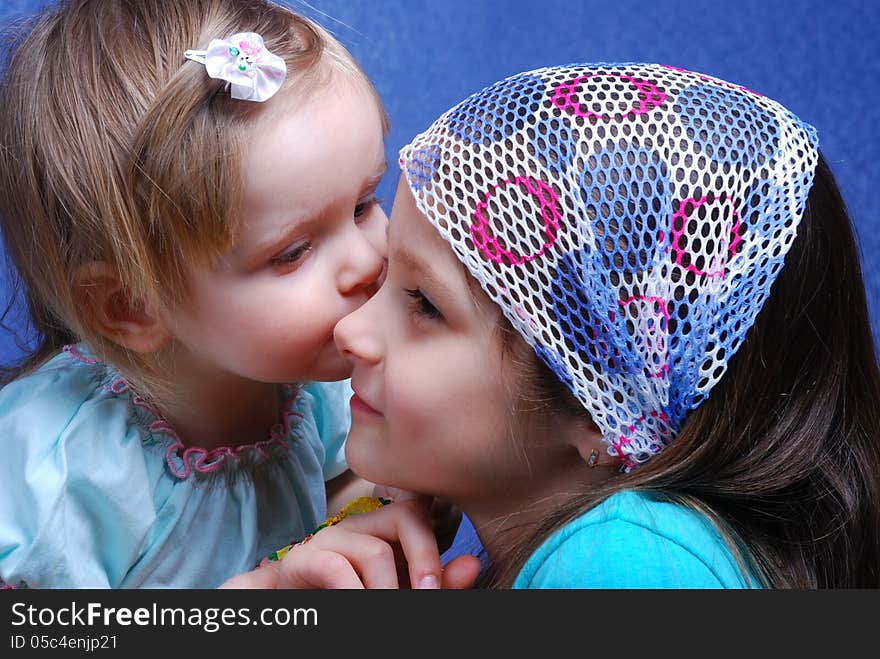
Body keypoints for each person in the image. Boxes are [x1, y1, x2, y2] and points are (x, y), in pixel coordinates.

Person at [239, 63, 880, 588]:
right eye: (385, 281)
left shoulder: (625, 566)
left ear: (602, 409)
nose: (352, 329)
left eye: (425, 305)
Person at [0, 0, 394, 588]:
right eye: (292, 252)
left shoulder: (315, 380)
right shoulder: (60, 472)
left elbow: (340, 483)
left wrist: (388, 510)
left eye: (363, 204)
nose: (368, 260)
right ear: (131, 307)